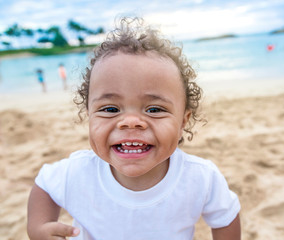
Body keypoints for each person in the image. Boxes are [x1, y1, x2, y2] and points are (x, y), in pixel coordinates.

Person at [27, 17, 241, 240]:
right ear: (89, 114)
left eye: (154, 109)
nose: (130, 122)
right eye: (110, 109)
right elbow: (45, 187)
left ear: (183, 121)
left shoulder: (200, 177)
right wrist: (38, 227)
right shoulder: (77, 173)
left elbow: (225, 216)